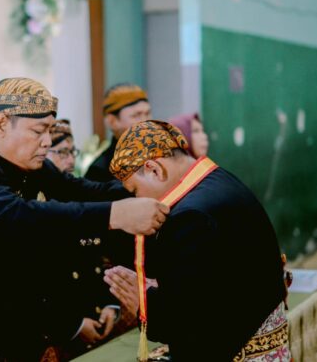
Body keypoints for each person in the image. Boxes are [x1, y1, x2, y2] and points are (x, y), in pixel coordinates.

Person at [0, 78, 169, 361]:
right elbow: (21, 218)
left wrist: (146, 187)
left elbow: (82, 191)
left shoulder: (34, 168)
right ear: (0, 123)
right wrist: (115, 214)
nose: (47, 141)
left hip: (16, 336)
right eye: (39, 130)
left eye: (49, 129)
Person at [104, 120, 289, 361]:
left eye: (134, 190)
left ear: (154, 169)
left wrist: (145, 303)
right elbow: (214, 284)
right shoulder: (218, 180)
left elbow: (186, 322)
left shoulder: (190, 216)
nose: (136, 199)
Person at [45, 119, 121, 358]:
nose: (71, 160)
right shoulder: (35, 207)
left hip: (96, 322)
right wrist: (74, 325)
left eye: (72, 151)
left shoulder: (79, 198)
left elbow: (98, 261)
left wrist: (110, 305)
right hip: (57, 335)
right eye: (62, 152)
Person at [84, 83, 151, 183]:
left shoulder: (162, 155)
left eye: (147, 113)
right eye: (136, 115)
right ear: (112, 121)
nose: (145, 121)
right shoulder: (99, 170)